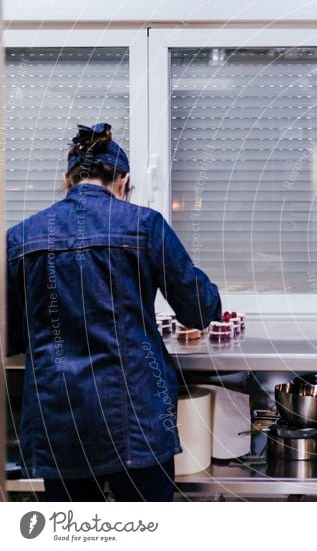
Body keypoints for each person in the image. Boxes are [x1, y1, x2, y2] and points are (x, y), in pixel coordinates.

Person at [5, 122, 222, 501]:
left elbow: (9, 335)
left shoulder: (21, 237)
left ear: (67, 180)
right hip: (136, 417)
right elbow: (200, 310)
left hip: (60, 420)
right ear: (123, 180)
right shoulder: (145, 226)